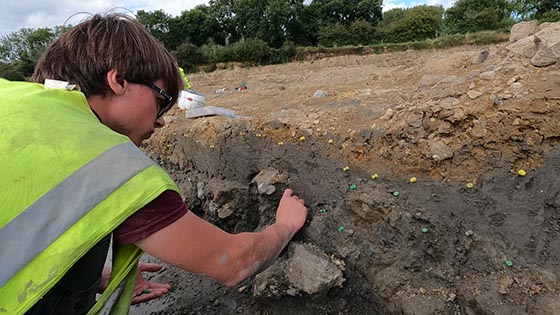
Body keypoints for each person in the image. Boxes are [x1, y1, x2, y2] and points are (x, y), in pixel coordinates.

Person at [0, 13, 308, 314]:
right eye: (161, 101)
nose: (161, 122)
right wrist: (284, 226)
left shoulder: (11, 97)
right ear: (119, 80)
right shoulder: (104, 159)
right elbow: (233, 262)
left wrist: (82, 277)